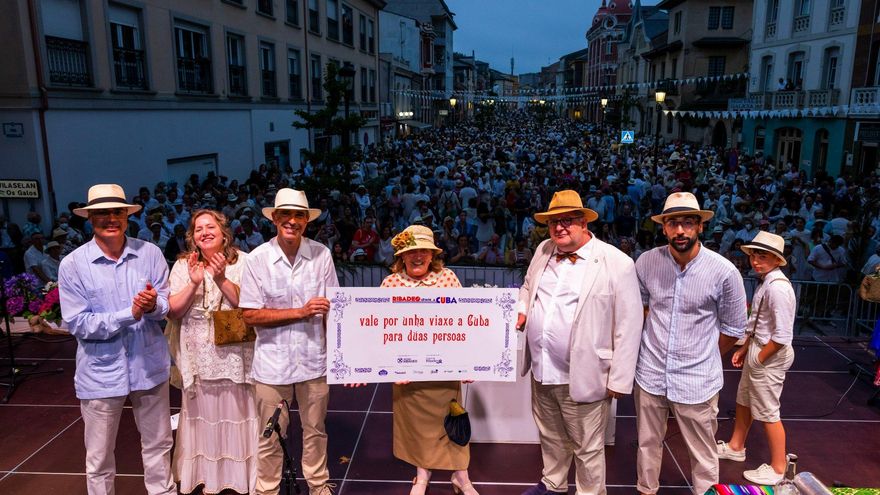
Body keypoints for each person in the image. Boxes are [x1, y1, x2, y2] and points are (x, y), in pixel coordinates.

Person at [516, 190, 643, 495]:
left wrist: (620, 378)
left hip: (586, 373)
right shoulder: (543, 250)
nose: (560, 227)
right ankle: (553, 485)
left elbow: (630, 322)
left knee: (587, 449)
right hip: (542, 369)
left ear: (584, 222)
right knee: (550, 437)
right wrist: (522, 310)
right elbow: (527, 287)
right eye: (554, 222)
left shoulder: (617, 262)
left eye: (568, 221)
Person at [58, 184, 175, 495]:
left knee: (159, 445)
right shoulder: (73, 265)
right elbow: (78, 323)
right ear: (89, 218)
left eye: (117, 212)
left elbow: (165, 303)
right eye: (102, 213)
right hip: (100, 373)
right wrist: (130, 313)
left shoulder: (150, 253)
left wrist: (153, 306)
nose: (111, 218)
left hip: (149, 368)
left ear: (127, 215)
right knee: (98, 458)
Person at [635, 192, 747, 495]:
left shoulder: (724, 272)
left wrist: (704, 355)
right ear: (664, 228)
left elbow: (735, 328)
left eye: (687, 223)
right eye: (673, 223)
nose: (680, 230)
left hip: (697, 380)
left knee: (703, 454)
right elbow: (643, 310)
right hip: (650, 375)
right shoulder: (646, 262)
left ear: (699, 226)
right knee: (646, 445)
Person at [239, 188, 339, 495]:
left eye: (299, 216)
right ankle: (267, 490)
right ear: (275, 219)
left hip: (315, 362)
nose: (292, 221)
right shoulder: (258, 259)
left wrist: (341, 359)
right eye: (286, 215)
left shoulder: (321, 254)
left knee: (316, 432)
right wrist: (301, 311)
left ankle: (318, 486)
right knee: (270, 436)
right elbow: (249, 315)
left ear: (307, 221)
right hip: (272, 366)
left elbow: (335, 309)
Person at [380, 225, 479, 495]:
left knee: (452, 422)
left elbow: (465, 322)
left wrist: (468, 362)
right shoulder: (391, 284)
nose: (417, 255)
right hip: (408, 372)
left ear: (432, 254)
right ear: (401, 256)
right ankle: (421, 477)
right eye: (410, 251)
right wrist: (390, 368)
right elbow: (380, 329)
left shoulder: (447, 278)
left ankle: (461, 477)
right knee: (418, 428)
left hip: (443, 372)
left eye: (423, 250)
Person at [167, 209, 257, 494]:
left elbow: (249, 306)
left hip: (234, 350)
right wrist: (194, 281)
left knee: (237, 408)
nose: (204, 232)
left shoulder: (244, 262)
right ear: (192, 236)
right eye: (198, 229)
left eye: (210, 227)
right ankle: (208, 474)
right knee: (203, 411)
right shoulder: (183, 265)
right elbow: (173, 311)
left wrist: (220, 279)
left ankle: (241, 476)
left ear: (224, 232)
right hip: (197, 350)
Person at [716, 232, 796, 484]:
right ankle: (736, 446)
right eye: (754, 256)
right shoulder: (767, 283)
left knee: (768, 411)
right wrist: (745, 348)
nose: (755, 261)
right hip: (759, 349)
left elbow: (782, 335)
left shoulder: (779, 289)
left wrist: (760, 358)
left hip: (769, 354)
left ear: (776, 259)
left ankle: (778, 467)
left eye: (763, 257)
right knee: (745, 400)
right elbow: (759, 322)